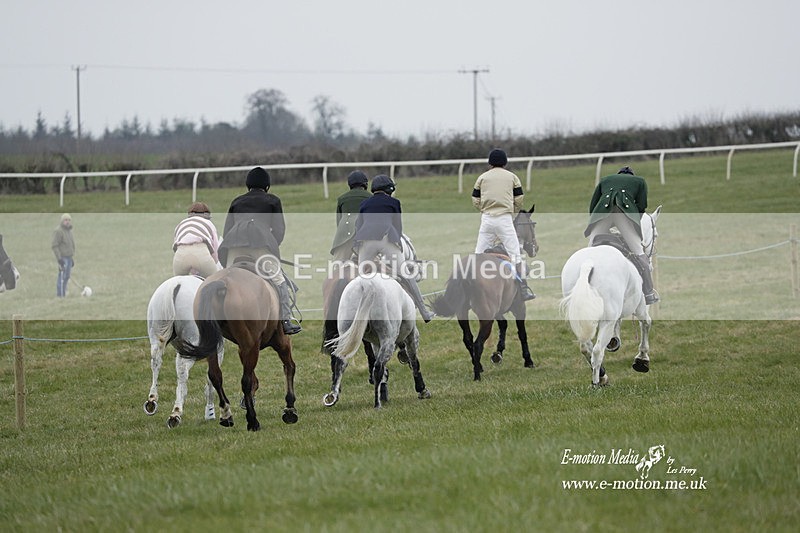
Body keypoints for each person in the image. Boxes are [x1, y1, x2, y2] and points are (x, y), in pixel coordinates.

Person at [218, 166, 301, 335]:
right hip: (260, 245)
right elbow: (279, 231)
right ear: (267, 186)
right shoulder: (273, 200)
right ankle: (285, 321)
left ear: (248, 185)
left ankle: (217, 319)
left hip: (234, 245)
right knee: (279, 280)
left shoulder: (237, 201)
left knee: (226, 279)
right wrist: (270, 244)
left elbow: (227, 231)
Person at [353, 175, 434, 322]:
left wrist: (357, 245)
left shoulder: (364, 203)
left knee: (359, 279)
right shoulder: (394, 202)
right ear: (389, 189)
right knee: (407, 275)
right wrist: (397, 242)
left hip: (366, 240)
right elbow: (397, 226)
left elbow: (358, 225)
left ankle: (353, 315)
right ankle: (424, 312)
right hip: (386, 239)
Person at [584, 165, 659, 304]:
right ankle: (649, 293)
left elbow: (593, 204)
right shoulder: (640, 181)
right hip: (623, 214)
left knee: (589, 250)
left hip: (602, 213)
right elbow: (641, 206)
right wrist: (632, 222)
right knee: (639, 252)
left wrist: (597, 221)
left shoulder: (605, 179)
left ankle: (581, 285)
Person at [471, 149, 536, 301]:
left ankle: (471, 287)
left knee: (478, 255)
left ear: (490, 163)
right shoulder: (512, 177)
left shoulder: (482, 177)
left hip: (487, 219)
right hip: (505, 219)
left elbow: (475, 199)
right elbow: (519, 198)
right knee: (515, 255)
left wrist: (483, 209)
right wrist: (513, 210)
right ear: (505, 163)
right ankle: (523, 289)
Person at [172, 202, 222, 278]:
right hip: (201, 254)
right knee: (215, 280)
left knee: (177, 281)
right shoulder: (208, 223)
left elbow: (176, 248)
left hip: (180, 255)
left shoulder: (181, 224)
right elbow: (215, 253)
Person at [330, 170, 371, 262]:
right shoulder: (371, 197)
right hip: (364, 233)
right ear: (365, 184)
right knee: (371, 265)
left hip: (344, 233)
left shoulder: (342, 199)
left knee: (338, 265)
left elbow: (339, 221)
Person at [52, 213, 75, 298]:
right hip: (63, 258)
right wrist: (59, 259)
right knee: (62, 276)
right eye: (66, 220)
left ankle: (64, 293)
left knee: (67, 276)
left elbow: (70, 244)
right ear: (62, 221)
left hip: (69, 257)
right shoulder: (58, 231)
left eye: (69, 220)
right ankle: (60, 295)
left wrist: (71, 258)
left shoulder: (69, 231)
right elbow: (54, 245)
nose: (67, 222)